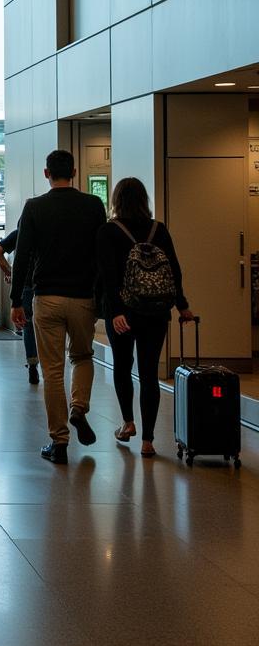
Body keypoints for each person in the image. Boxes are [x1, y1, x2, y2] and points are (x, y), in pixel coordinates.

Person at [10, 150, 107, 465]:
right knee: (82, 357)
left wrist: (15, 301)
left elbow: (21, 256)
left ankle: (60, 442)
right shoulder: (93, 206)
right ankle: (79, 409)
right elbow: (100, 253)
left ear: (46, 173)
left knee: (52, 371)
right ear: (75, 172)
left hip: (47, 298)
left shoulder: (35, 207)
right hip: (83, 298)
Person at [97, 177, 193, 458]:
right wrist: (182, 305)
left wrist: (114, 312)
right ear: (144, 201)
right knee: (149, 373)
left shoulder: (108, 231)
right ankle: (148, 441)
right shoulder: (158, 229)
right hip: (155, 312)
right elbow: (174, 270)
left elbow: (108, 276)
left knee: (123, 367)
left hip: (124, 314)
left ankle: (128, 422)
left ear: (116, 200)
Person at [0, 223, 40, 384]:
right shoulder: (48, 229)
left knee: (28, 325)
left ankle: (33, 364)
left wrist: (9, 270)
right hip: (45, 284)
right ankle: (48, 365)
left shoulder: (20, 232)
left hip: (25, 284)